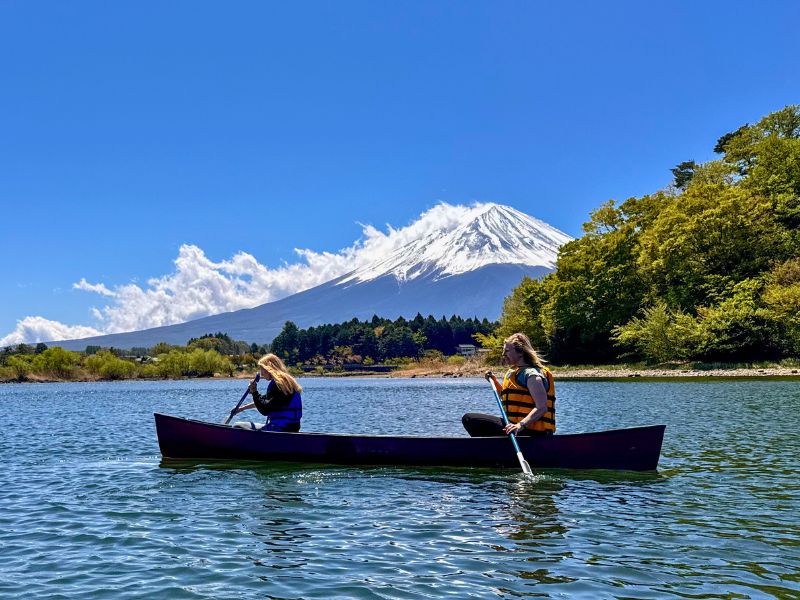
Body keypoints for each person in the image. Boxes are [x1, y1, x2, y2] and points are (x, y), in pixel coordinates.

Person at [462, 333, 556, 437]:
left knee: (470, 419)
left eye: (507, 351)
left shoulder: (532, 375)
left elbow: (542, 407)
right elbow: (507, 398)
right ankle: (492, 448)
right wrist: (493, 381)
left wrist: (520, 425)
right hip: (514, 428)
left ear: (520, 352)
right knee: (470, 420)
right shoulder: (515, 372)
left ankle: (490, 449)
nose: (503, 354)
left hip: (531, 432)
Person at [231, 353, 303, 432]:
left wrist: (254, 392)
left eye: (262, 369)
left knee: (237, 426)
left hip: (280, 428)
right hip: (292, 429)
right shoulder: (287, 382)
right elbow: (265, 402)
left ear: (269, 368)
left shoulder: (278, 384)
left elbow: (265, 409)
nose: (261, 373)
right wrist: (241, 409)